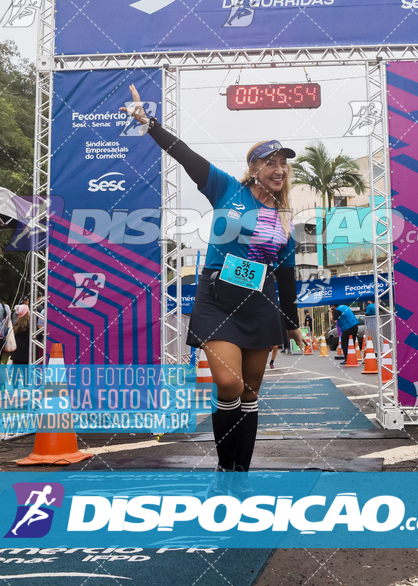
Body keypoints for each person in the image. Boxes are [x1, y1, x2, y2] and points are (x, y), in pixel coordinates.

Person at [121, 84, 304, 479]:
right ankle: (224, 467)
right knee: (228, 385)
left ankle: (239, 473)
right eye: (270, 161)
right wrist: (149, 123)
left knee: (251, 394)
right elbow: (185, 154)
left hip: (261, 303)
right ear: (254, 167)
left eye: (283, 163)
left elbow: (287, 274)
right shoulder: (227, 189)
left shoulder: (286, 217)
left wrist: (291, 321)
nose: (279, 168)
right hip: (218, 298)